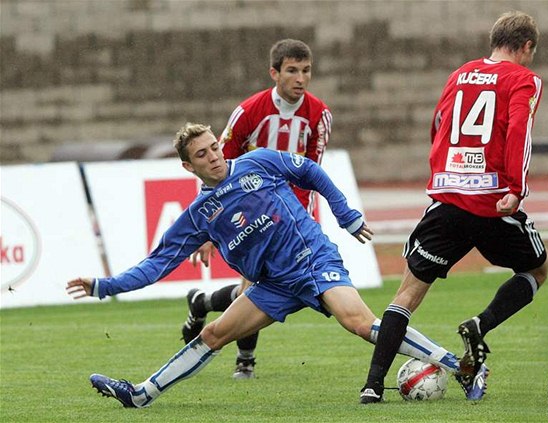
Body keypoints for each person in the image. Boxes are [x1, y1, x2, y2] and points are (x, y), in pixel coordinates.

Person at [66, 123, 479, 408]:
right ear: (187, 167)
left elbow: (312, 171)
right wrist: (104, 286)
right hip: (274, 284)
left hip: (312, 260)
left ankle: (463, 368)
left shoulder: (258, 162)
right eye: (202, 154)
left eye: (214, 147)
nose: (214, 156)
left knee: (357, 322)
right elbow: (156, 265)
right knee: (213, 333)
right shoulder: (198, 215)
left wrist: (344, 213)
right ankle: (140, 395)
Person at [360, 11, 548, 404]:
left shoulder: (460, 73)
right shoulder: (525, 79)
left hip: (446, 198)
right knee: (537, 270)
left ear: (494, 39)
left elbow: (439, 123)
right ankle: (481, 325)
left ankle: (373, 386)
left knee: (407, 294)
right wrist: (516, 188)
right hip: (492, 201)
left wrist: (443, 174)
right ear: (527, 46)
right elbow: (519, 132)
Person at [181, 38, 332, 379]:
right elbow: (214, 164)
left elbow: (313, 171)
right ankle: (245, 361)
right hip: (247, 211)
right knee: (256, 288)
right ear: (274, 73)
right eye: (292, 71)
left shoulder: (319, 115)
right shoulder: (249, 111)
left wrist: (303, 220)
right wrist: (208, 226)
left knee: (258, 289)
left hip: (291, 218)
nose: (301, 78)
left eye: (306, 71)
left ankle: (202, 302)